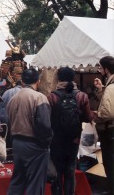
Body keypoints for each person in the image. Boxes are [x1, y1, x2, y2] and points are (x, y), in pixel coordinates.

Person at [6, 68, 53, 195]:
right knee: (36, 182)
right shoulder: (39, 97)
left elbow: (9, 122)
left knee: (18, 180)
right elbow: (44, 125)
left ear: (22, 82)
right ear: (38, 81)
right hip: (34, 144)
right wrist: (46, 143)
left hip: (17, 142)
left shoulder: (13, 98)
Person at [48, 67, 93, 195]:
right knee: (70, 170)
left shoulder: (51, 97)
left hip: (56, 140)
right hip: (74, 140)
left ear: (59, 79)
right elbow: (88, 117)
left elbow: (48, 119)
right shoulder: (81, 96)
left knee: (57, 171)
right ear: (73, 78)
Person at [93, 56, 114, 194]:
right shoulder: (110, 86)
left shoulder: (111, 87)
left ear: (106, 69)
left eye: (100, 67)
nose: (99, 70)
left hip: (110, 132)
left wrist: (97, 116)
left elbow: (108, 112)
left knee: (110, 162)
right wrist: (101, 89)